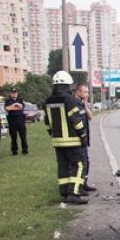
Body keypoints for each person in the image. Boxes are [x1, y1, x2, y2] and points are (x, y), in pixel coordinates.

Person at [44, 71, 89, 204]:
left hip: (57, 141)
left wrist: (53, 134)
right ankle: (74, 193)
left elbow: (47, 122)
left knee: (63, 167)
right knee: (79, 165)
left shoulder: (48, 101)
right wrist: (83, 135)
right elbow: (76, 120)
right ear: (68, 85)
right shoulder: (70, 100)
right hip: (73, 141)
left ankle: (64, 192)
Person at [73, 82, 97, 193]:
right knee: (81, 163)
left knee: (86, 161)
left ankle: (84, 183)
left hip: (85, 138)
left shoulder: (82, 103)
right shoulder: (73, 103)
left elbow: (90, 117)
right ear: (78, 91)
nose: (87, 94)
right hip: (77, 138)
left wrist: (86, 104)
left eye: (88, 92)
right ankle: (79, 186)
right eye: (85, 92)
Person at [4, 87, 28, 155]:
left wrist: (14, 107)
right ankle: (14, 151)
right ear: (10, 93)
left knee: (23, 135)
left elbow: (21, 107)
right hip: (12, 120)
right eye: (13, 93)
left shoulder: (20, 99)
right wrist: (14, 105)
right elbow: (8, 108)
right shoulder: (7, 100)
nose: (14, 94)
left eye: (15, 93)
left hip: (20, 119)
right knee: (13, 136)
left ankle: (25, 150)